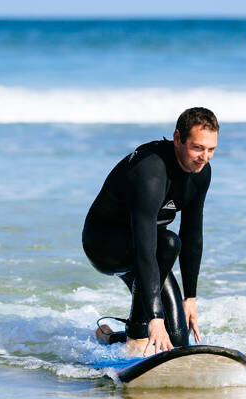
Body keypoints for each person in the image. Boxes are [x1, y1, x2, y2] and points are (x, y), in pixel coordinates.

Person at [82, 107, 219, 356]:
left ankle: (108, 336)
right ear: (178, 138)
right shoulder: (151, 169)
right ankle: (135, 335)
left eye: (211, 149)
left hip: (152, 250)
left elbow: (192, 235)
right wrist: (153, 318)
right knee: (167, 243)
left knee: (178, 342)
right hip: (105, 244)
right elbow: (145, 243)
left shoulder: (200, 172)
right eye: (197, 147)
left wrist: (191, 298)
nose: (204, 157)